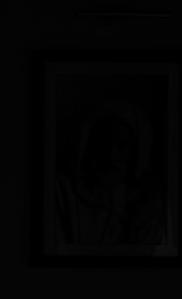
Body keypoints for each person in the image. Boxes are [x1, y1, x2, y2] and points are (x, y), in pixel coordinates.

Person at [55, 100, 167, 248]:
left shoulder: (145, 203)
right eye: (103, 143)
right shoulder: (60, 191)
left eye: (122, 146)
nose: (111, 156)